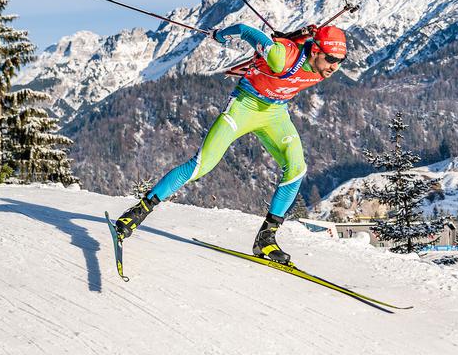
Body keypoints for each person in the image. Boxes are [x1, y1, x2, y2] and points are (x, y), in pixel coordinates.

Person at [114, 23, 347, 264]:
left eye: (341, 60)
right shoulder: (282, 57)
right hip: (243, 107)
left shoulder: (319, 63)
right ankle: (137, 212)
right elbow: (247, 30)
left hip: (275, 114)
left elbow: (303, 44)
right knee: (201, 165)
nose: (335, 66)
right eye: (331, 59)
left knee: (297, 168)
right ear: (316, 51)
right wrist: (220, 35)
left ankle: (265, 240)